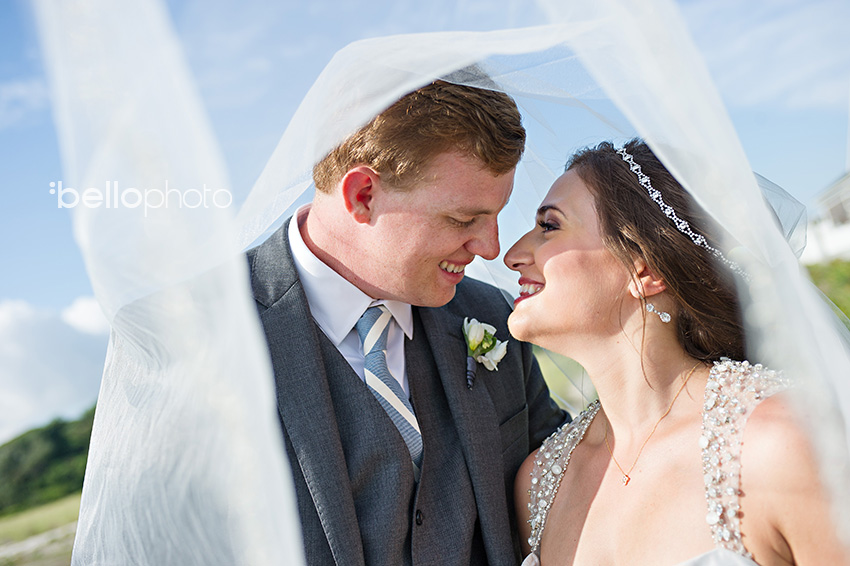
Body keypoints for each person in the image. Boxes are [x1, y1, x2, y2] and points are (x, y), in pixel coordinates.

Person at [246, 80, 566, 566]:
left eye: (497, 216)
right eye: (463, 220)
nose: (491, 248)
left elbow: (569, 475)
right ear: (363, 194)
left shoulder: (493, 317)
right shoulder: (193, 335)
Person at [506, 140, 849, 565]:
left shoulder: (780, 443)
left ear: (644, 269)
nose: (512, 255)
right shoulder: (538, 484)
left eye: (550, 226)